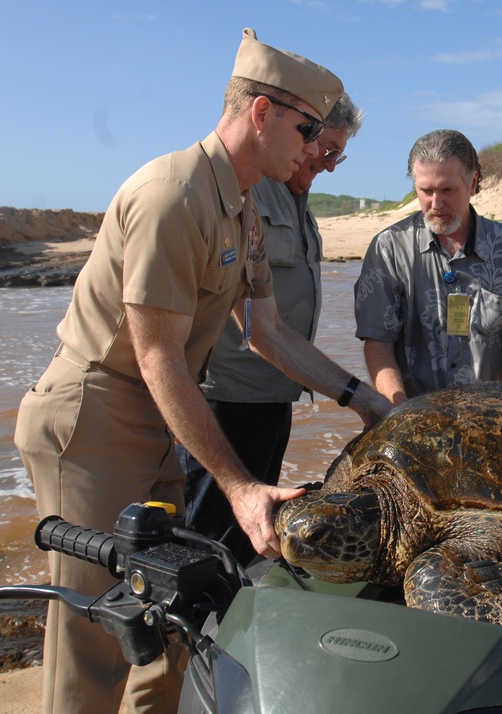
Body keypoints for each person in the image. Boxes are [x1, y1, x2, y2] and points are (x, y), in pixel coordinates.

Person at [13, 28, 390, 714]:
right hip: (94, 416)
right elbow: (157, 355)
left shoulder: (243, 206)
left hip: (158, 418)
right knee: (95, 633)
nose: (316, 149)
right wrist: (240, 488)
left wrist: (361, 397)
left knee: (174, 607)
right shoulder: (172, 194)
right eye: (309, 130)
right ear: (262, 112)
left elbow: (267, 333)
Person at [177, 93, 363, 567]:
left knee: (251, 540)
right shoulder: (252, 193)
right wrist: (359, 396)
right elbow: (261, 328)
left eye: (339, 155)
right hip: (225, 404)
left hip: (275, 399)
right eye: (326, 148)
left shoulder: (301, 201)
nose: (329, 163)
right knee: (208, 550)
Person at [354, 129, 502, 403]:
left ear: (473, 183)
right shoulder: (387, 249)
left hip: (490, 414)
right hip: (413, 414)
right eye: (426, 191)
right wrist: (399, 413)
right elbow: (378, 342)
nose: (436, 203)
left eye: (447, 190)